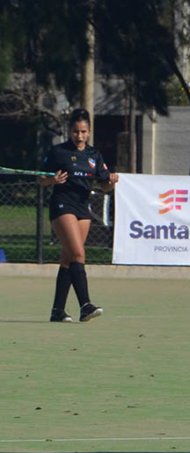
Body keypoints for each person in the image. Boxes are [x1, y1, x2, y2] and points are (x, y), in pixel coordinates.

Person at [38, 108, 118, 323]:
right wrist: (51, 180)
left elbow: (105, 186)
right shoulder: (58, 152)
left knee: (68, 259)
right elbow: (41, 179)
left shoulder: (94, 155)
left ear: (89, 131)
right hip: (63, 204)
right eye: (75, 131)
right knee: (78, 254)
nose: (79, 136)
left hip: (83, 208)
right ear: (69, 131)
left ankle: (57, 311)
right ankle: (85, 305)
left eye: (83, 132)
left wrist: (111, 182)